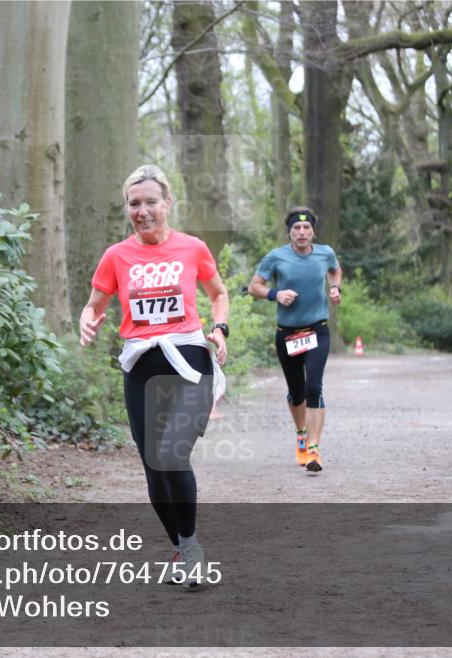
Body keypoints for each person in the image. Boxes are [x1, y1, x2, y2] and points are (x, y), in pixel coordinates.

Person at [79, 164, 229, 587]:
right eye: (133, 203)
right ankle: (183, 546)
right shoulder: (116, 256)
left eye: (150, 202)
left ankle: (193, 551)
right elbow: (94, 304)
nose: (142, 211)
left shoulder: (192, 248)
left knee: (171, 454)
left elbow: (218, 293)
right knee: (152, 466)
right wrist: (87, 320)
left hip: (188, 358)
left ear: (168, 204)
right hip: (142, 363)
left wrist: (220, 329)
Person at [247, 207, 341, 473]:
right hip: (287, 333)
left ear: (313, 230)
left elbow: (335, 271)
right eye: (296, 228)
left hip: (317, 330)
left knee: (314, 387)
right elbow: (254, 286)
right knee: (296, 391)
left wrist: (335, 288)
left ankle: (314, 449)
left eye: (306, 228)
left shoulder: (325, 253)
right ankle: (301, 434)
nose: (302, 233)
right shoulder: (276, 257)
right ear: (289, 231)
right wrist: (275, 294)